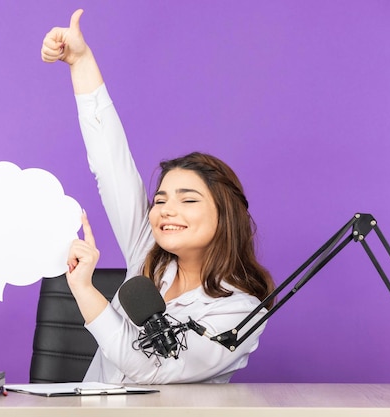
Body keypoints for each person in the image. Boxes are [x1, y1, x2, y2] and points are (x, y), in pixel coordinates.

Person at [41, 9, 275, 384]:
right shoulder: (148, 254)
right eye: (161, 199)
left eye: (189, 199)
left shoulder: (240, 312)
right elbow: (109, 161)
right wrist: (80, 61)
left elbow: (153, 367)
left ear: (225, 214)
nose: (167, 210)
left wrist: (84, 290)